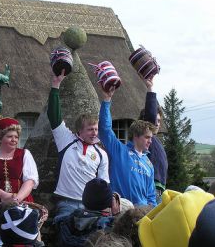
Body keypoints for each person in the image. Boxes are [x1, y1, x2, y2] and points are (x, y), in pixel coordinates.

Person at [47, 71, 110, 222]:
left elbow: (104, 184)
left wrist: (106, 205)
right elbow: (54, 116)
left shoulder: (101, 154)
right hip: (66, 203)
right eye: (90, 129)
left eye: (96, 129)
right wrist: (55, 85)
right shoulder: (66, 140)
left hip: (90, 206)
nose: (94, 133)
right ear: (79, 130)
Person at [98, 86, 157, 206]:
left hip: (142, 213)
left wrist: (152, 213)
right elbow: (105, 129)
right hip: (120, 210)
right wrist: (107, 100)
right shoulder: (119, 150)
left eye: (151, 138)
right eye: (147, 137)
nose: (150, 141)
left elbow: (151, 195)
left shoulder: (149, 163)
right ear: (136, 136)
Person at [57, 178, 120, 247]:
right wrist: (117, 217)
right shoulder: (106, 226)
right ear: (109, 203)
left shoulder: (68, 221)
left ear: (84, 200)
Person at [139, 77, 168, 202]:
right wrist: (150, 89)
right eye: (155, 120)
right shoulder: (146, 134)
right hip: (152, 188)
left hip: (160, 189)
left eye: (159, 121)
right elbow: (150, 117)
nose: (157, 124)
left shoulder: (155, 140)